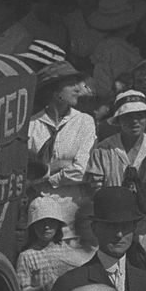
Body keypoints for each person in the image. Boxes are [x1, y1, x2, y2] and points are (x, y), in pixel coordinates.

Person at [26, 64, 96, 218]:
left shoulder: (84, 122)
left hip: (72, 208)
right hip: (38, 207)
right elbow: (27, 175)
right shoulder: (32, 125)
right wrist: (55, 166)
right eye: (71, 84)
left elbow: (81, 170)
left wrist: (46, 176)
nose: (78, 89)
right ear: (54, 90)